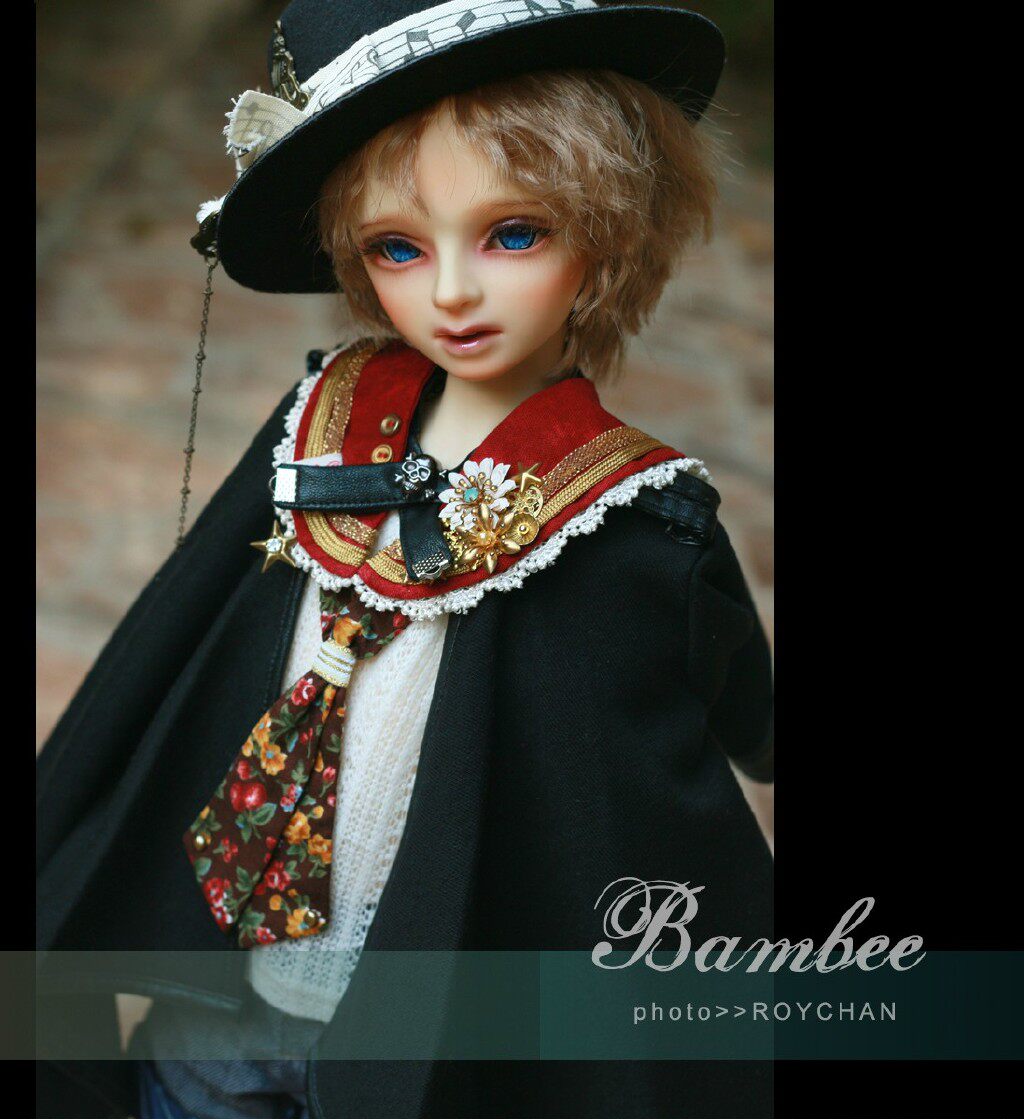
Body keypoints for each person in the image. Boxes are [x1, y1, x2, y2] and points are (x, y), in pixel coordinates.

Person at [36, 3, 774, 1117]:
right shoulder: (322, 416)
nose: (452, 293)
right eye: (398, 247)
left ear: (610, 229)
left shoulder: (632, 514)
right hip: (223, 974)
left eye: (513, 234)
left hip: (417, 1019)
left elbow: (677, 730)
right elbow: (179, 633)